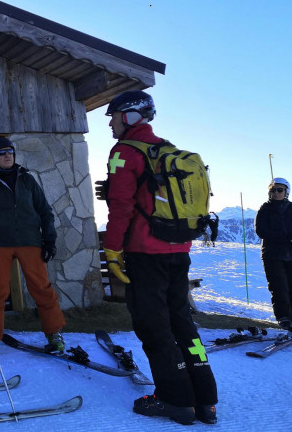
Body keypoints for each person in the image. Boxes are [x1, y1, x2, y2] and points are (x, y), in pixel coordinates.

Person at [99, 90, 218, 425]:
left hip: (145, 252)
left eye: (114, 115)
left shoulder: (124, 152)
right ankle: (205, 400)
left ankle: (176, 400)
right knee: (183, 322)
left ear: (132, 115)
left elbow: (121, 207)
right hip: (178, 250)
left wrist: (112, 249)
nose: (110, 122)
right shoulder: (164, 149)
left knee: (155, 326)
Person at [0, 137, 65, 354]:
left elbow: (44, 211)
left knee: (41, 288)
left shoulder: (28, 180)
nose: (7, 156)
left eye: (10, 152)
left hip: (30, 241)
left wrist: (49, 240)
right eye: (2, 153)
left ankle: (54, 332)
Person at [254, 177, 292, 332]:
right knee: (279, 287)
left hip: (290, 253)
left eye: (279, 190)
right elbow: (261, 231)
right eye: (273, 190)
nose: (276, 193)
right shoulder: (264, 210)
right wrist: (284, 237)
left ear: (286, 192)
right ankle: (284, 318)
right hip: (272, 254)